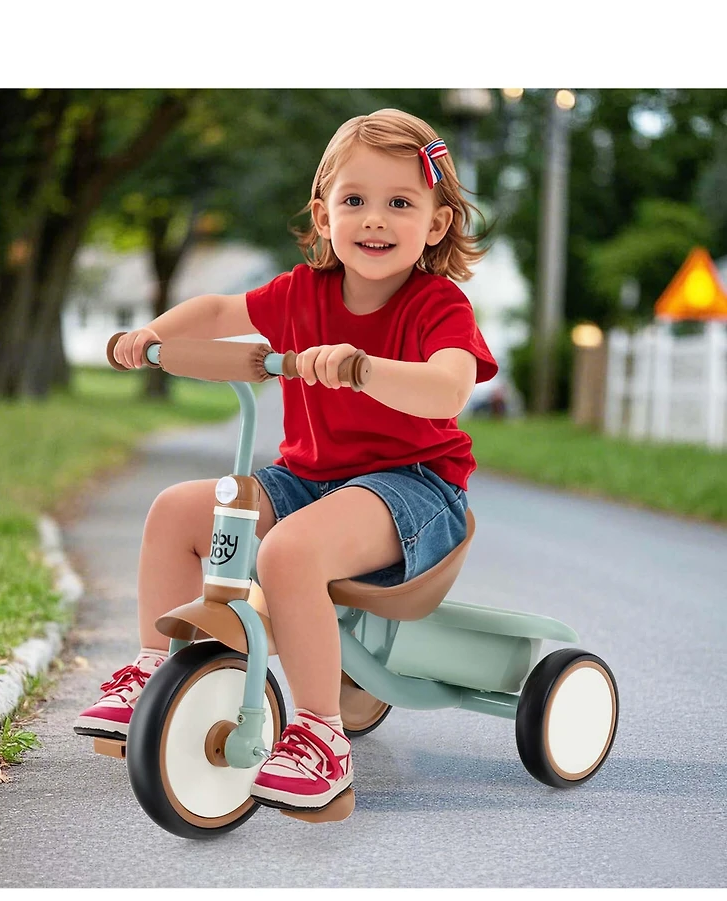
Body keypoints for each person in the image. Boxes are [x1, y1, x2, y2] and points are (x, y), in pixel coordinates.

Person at [73, 107, 498, 816]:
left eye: (400, 203)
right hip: (307, 479)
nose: (374, 219)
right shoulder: (303, 293)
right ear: (324, 216)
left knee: (290, 551)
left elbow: (448, 387)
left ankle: (321, 736)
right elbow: (218, 313)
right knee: (178, 510)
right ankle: (153, 670)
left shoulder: (438, 305)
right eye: (354, 200)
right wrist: (150, 334)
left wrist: (363, 368)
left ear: (437, 223)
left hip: (414, 490)